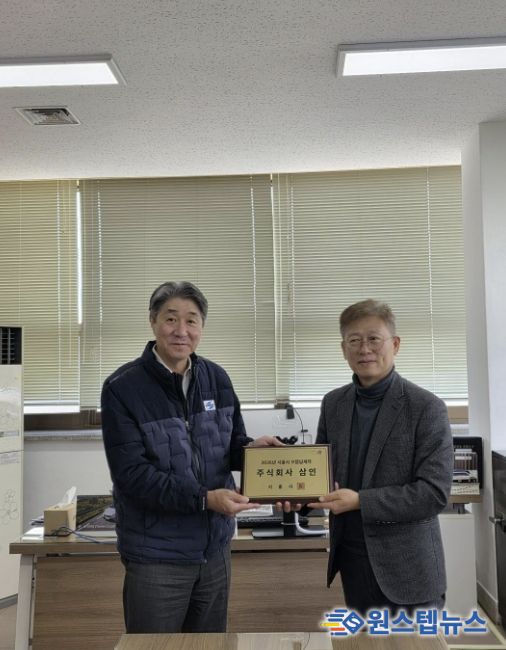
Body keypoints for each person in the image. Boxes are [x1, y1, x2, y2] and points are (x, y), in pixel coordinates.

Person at [101, 280, 282, 633]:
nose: (181, 330)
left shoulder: (217, 378)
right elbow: (132, 475)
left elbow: (229, 446)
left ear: (202, 326)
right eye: (171, 319)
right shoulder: (122, 388)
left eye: (191, 320)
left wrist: (252, 453)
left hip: (215, 551)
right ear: (153, 321)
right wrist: (205, 499)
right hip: (156, 556)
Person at [306, 298, 454, 616]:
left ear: (395, 344)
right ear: (343, 349)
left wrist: (360, 501)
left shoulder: (426, 407)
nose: (365, 349)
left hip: (409, 569)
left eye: (374, 339)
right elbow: (321, 474)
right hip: (353, 561)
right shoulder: (333, 404)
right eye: (354, 340)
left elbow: (433, 494)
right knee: (364, 641)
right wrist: (297, 495)